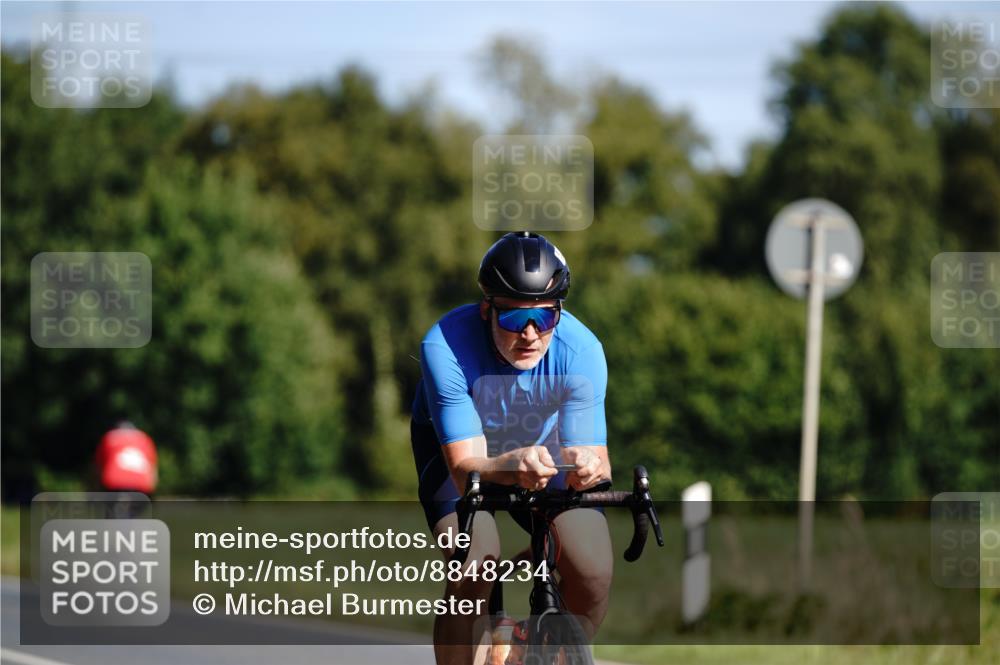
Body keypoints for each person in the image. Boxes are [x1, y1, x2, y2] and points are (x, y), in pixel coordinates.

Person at [411, 232, 612, 665]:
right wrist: (511, 465)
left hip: (539, 451)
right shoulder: (444, 345)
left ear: (559, 312)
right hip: (460, 455)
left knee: (593, 570)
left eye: (544, 316)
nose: (530, 333)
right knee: (475, 565)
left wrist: (588, 467)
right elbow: (466, 468)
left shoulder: (582, 352)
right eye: (512, 320)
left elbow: (593, 461)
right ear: (488, 310)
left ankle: (530, 648)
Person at [95, 421, 158, 496]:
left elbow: (98, 466)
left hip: (114, 481)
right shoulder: (145, 438)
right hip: (142, 483)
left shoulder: (110, 437)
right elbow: (153, 470)